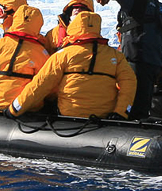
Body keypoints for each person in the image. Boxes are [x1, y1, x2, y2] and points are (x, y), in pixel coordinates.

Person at [8, 11, 136, 119]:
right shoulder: (115, 55)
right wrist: (121, 112)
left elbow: (41, 84)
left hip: (69, 115)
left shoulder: (63, 55)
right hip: (103, 117)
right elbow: (129, 82)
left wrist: (16, 108)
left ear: (74, 27)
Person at [95, 0, 162, 118]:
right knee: (141, 109)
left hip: (136, 64)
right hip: (153, 66)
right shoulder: (160, 9)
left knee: (131, 110)